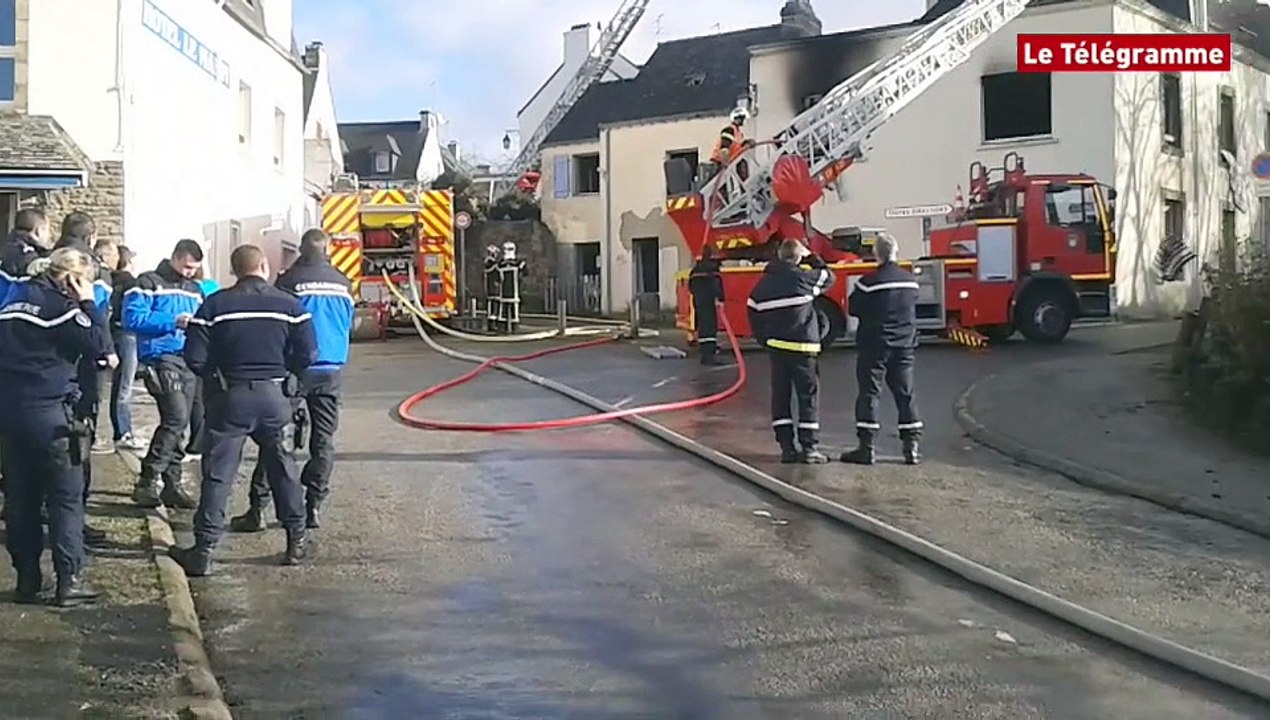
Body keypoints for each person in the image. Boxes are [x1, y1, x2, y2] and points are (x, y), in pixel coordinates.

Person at [169, 244, 317, 577]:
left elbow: (195, 358)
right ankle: (296, 541)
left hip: (229, 397)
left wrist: (216, 376)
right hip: (274, 397)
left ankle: (203, 551)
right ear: (263, 266)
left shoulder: (215, 305)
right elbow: (308, 352)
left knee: (218, 475)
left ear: (235, 270)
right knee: (283, 469)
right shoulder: (290, 306)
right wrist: (285, 373)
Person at [0, 247, 111, 606]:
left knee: (21, 499)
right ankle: (70, 580)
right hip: (51, 417)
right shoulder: (62, 311)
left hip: (9, 415)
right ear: (72, 280)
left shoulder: (8, 307)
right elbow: (102, 349)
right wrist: (89, 304)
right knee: (65, 499)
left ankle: (28, 579)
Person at [232, 229, 354, 533]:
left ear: (301, 249)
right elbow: (347, 323)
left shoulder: (289, 282)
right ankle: (313, 506)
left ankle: (258, 508)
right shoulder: (344, 282)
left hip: (294, 369)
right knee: (323, 441)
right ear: (327, 250)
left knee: (275, 439)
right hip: (331, 370)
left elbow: (277, 320)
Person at [122, 240, 205, 509]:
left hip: (188, 358)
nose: (191, 272)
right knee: (175, 417)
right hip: (160, 359)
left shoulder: (195, 289)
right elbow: (132, 319)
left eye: (195, 268)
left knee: (186, 423)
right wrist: (172, 322)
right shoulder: (147, 282)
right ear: (176, 258)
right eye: (188, 266)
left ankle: (172, 483)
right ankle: (148, 478)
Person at [747, 238, 834, 464]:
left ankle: (787, 448)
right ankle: (809, 448)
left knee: (780, 398)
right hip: (804, 350)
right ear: (798, 257)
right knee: (808, 399)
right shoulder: (803, 279)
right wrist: (811, 256)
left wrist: (765, 341)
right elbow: (828, 276)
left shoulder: (762, 286)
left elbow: (753, 315)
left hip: (777, 350)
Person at [840, 232, 923, 466]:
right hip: (904, 345)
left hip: (874, 345)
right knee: (905, 394)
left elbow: (853, 308)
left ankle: (866, 448)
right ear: (896, 252)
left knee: (869, 393)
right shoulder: (910, 281)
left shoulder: (867, 283)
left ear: (876, 254)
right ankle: (911, 449)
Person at [0, 208, 53, 522]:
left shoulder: (8, 249)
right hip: (16, 342)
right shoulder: (22, 254)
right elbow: (31, 271)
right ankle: (20, 499)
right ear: (38, 229)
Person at [109, 245, 146, 451]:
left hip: (112, 332)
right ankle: (123, 432)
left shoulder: (108, 280)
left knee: (116, 386)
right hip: (127, 334)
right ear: (128, 262)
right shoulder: (131, 283)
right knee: (125, 387)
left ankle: (120, 430)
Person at [183, 265, 220, 461]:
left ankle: (196, 443)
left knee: (195, 401)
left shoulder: (194, 290)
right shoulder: (213, 286)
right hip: (210, 347)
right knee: (202, 399)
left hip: (195, 344)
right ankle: (199, 441)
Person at [688, 244, 726, 366]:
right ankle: (710, 357)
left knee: (703, 328)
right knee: (710, 329)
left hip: (698, 302)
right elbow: (716, 284)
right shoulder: (712, 269)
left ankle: (704, 356)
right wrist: (720, 298)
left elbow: (691, 286)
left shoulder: (695, 269)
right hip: (708, 302)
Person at [495, 241, 525, 333]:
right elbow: (525, 273)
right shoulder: (518, 263)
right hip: (514, 291)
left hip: (504, 291)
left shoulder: (500, 264)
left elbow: (496, 278)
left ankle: (503, 327)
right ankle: (513, 327)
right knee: (513, 310)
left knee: (504, 310)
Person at [483, 245, 501, 332]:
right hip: (492, 287)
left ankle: (493, 322)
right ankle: (492, 324)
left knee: (494, 305)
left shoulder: (491, 263)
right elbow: (492, 272)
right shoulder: (490, 262)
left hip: (494, 287)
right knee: (492, 305)